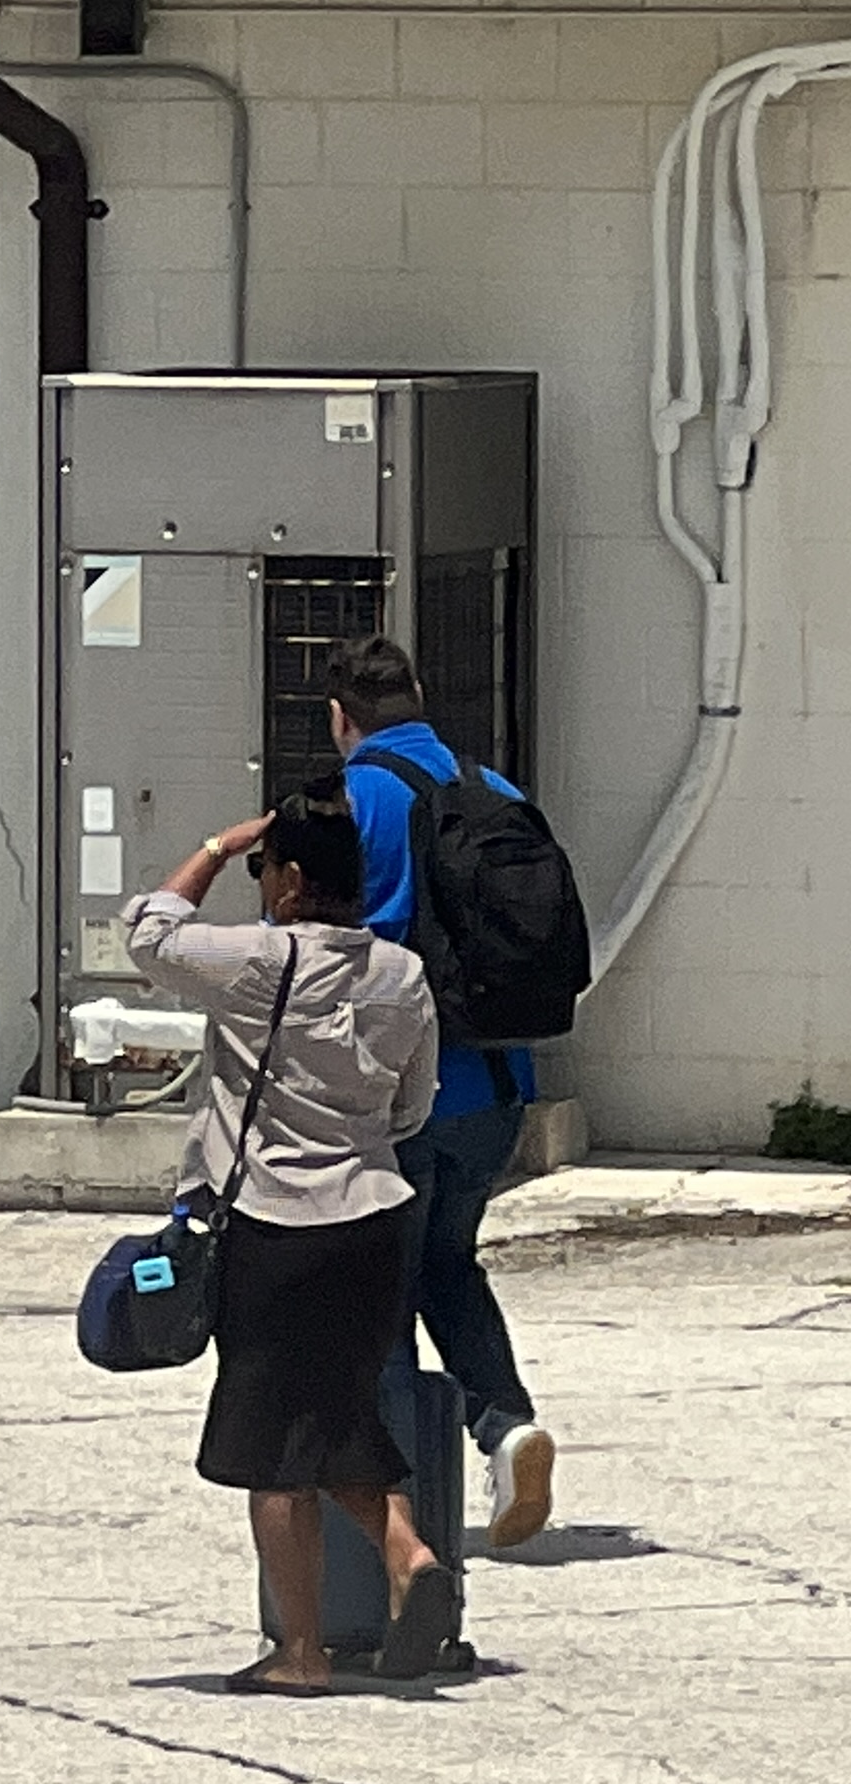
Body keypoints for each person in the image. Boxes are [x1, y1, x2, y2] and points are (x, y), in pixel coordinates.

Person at [123, 786, 455, 1691]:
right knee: (342, 1413)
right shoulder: (402, 974)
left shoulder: (260, 961)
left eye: (266, 871)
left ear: (293, 880)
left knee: (271, 1450)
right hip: (374, 1220)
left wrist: (216, 846)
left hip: (274, 1226)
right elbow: (413, 1105)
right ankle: (409, 1556)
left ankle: (300, 1652)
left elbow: (148, 932)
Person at [327, 635, 556, 1548]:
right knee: (448, 1265)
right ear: (418, 698)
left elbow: (352, 954)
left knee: (378, 1282)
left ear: (340, 717)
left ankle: (393, 1514)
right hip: (497, 1086)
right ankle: (506, 1428)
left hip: (404, 1099)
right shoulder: (492, 788)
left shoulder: (358, 796)